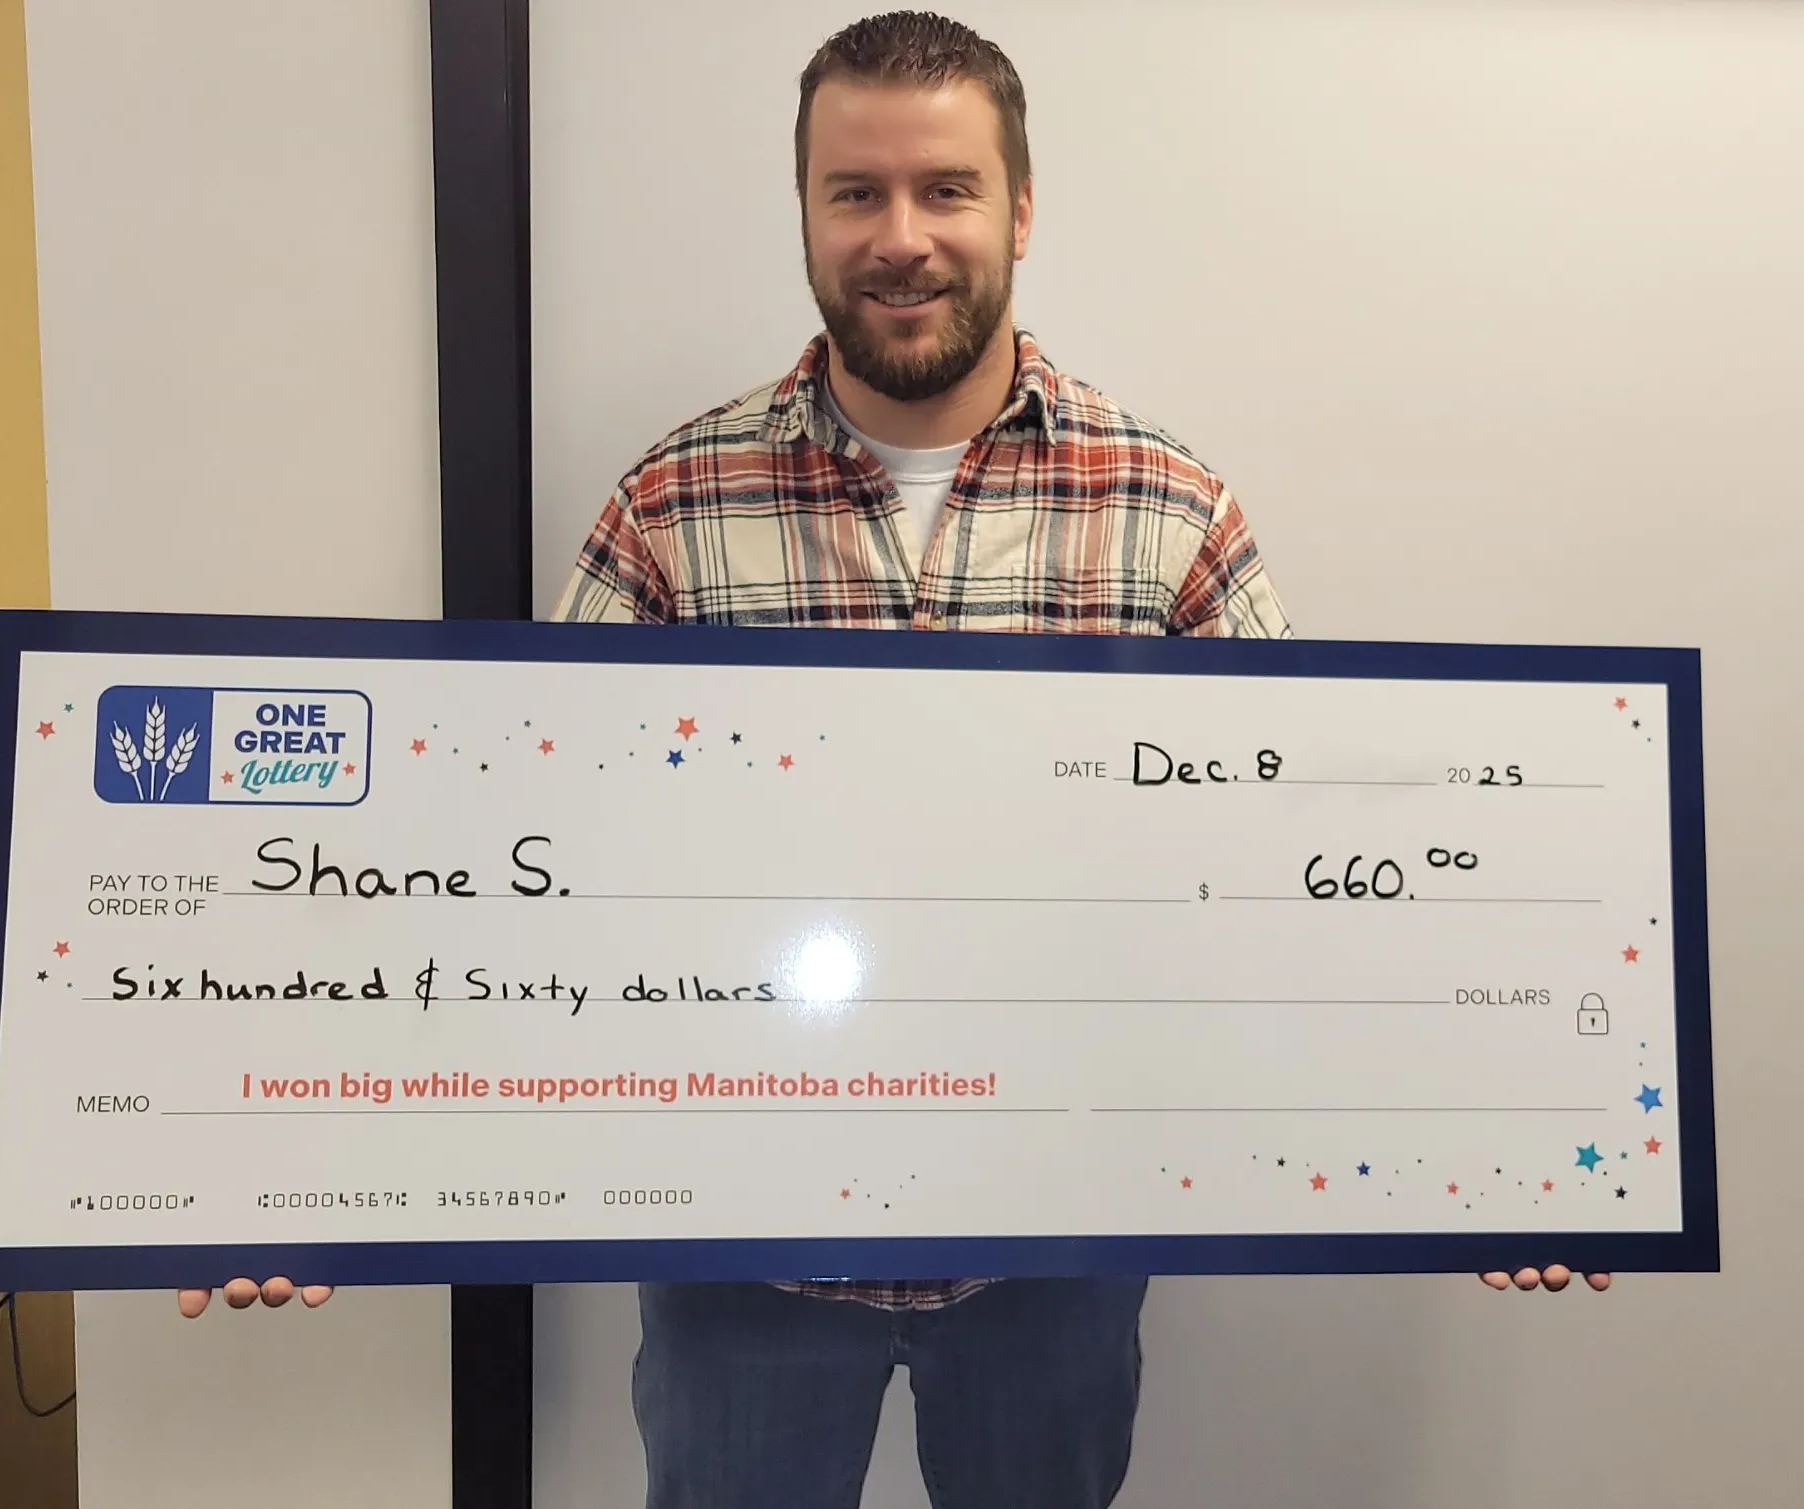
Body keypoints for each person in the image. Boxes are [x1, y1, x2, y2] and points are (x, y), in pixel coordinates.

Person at [179, 11, 1611, 1505]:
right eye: (855, 192)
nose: (902, 237)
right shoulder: (669, 510)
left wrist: (1495, 1144)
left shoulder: (1169, 512)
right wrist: (296, 1165)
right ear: (805, 212)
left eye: (947, 189)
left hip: (1055, 1260)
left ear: (1021, 210)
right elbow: (514, 880)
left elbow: (1315, 876)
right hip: (739, 1265)